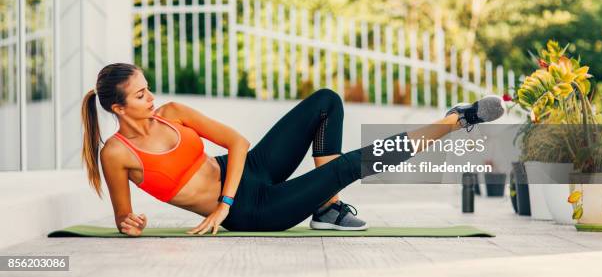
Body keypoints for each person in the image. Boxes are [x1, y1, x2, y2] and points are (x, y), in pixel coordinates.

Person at [81, 63, 504, 236]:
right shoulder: (116, 154)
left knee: (325, 100)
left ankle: (327, 208)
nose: (151, 98)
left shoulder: (171, 111)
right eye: (140, 96)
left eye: (147, 88)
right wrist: (129, 223)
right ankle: (456, 122)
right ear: (118, 107)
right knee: (349, 165)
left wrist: (223, 199)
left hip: (242, 174)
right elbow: (124, 218)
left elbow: (237, 142)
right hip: (254, 209)